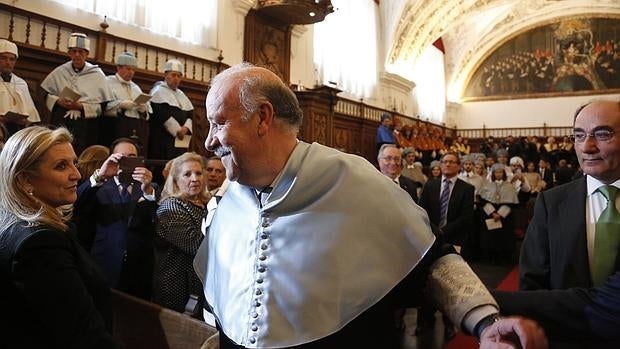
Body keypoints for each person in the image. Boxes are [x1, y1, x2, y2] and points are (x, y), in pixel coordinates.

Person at [194, 63, 536, 349]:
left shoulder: (353, 180)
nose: (209, 141)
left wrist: (485, 321)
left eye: (218, 122)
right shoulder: (228, 199)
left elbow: (429, 259)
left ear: (262, 118)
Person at [0, 126, 121, 348]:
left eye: (74, 162)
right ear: (25, 180)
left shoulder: (15, 224)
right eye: (61, 166)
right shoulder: (40, 245)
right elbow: (85, 337)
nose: (76, 174)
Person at [520, 99, 620, 291]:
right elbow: (532, 283)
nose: (586, 147)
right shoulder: (550, 203)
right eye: (579, 136)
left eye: (602, 134)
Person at [74, 137, 157, 299]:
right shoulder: (100, 187)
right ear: (111, 159)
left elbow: (156, 223)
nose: (127, 161)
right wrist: (100, 176)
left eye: (132, 157)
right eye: (121, 157)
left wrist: (148, 192)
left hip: (138, 269)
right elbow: (76, 204)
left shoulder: (149, 188)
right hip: (103, 263)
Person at [416, 151, 475, 338]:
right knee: (427, 280)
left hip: (454, 241)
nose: (447, 165)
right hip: (430, 240)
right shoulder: (430, 186)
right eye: (445, 162)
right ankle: (425, 321)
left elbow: (466, 218)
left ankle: (450, 323)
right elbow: (422, 212)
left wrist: (443, 232)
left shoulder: (467, 189)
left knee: (452, 283)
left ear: (458, 166)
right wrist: (434, 232)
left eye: (451, 162)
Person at [152, 152, 208, 315]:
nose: (195, 178)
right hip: (176, 289)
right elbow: (196, 246)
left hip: (199, 287)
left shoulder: (206, 203)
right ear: (175, 180)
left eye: (198, 173)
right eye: (187, 174)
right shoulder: (171, 207)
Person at [40, 33, 112, 155]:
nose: (77, 55)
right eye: (74, 51)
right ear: (69, 53)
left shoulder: (97, 74)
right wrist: (58, 101)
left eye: (81, 52)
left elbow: (103, 106)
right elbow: (46, 94)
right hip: (61, 120)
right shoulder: (60, 71)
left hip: (86, 126)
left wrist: (81, 106)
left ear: (87, 54)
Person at [102, 52, 151, 150]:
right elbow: (102, 106)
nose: (131, 72)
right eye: (128, 69)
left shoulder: (136, 87)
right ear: (119, 68)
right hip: (116, 127)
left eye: (133, 69)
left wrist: (143, 109)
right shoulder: (107, 82)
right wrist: (120, 105)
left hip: (136, 127)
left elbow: (147, 113)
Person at [149, 59, 194, 160]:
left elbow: (190, 114)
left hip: (180, 140)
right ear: (165, 75)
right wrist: (177, 130)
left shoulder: (181, 94)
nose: (176, 79)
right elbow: (160, 113)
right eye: (173, 75)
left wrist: (186, 128)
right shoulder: (158, 91)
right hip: (163, 140)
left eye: (179, 76)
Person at [0, 39, 40, 135]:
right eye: (3, 58)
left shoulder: (21, 83)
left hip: (17, 131)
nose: (8, 62)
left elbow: (31, 116)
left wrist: (25, 120)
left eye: (12, 59)